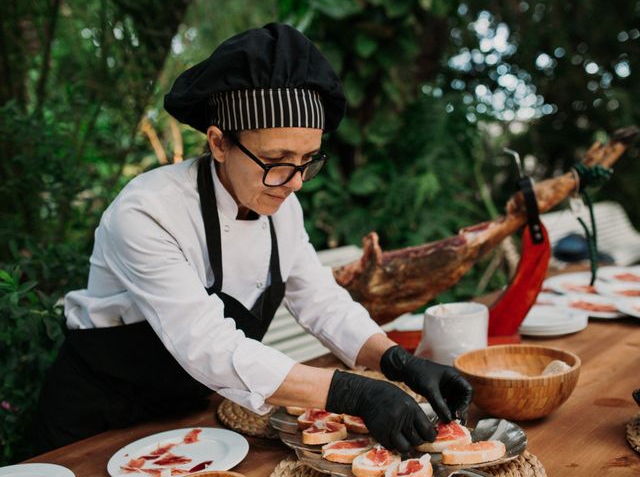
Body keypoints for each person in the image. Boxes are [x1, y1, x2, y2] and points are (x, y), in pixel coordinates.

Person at [34, 23, 472, 454]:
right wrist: (352, 393)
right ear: (219, 142)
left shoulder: (281, 203)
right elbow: (207, 344)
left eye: (307, 161)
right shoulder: (147, 212)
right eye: (277, 160)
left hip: (192, 415)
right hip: (97, 423)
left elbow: (321, 301)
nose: (295, 182)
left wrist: (398, 361)